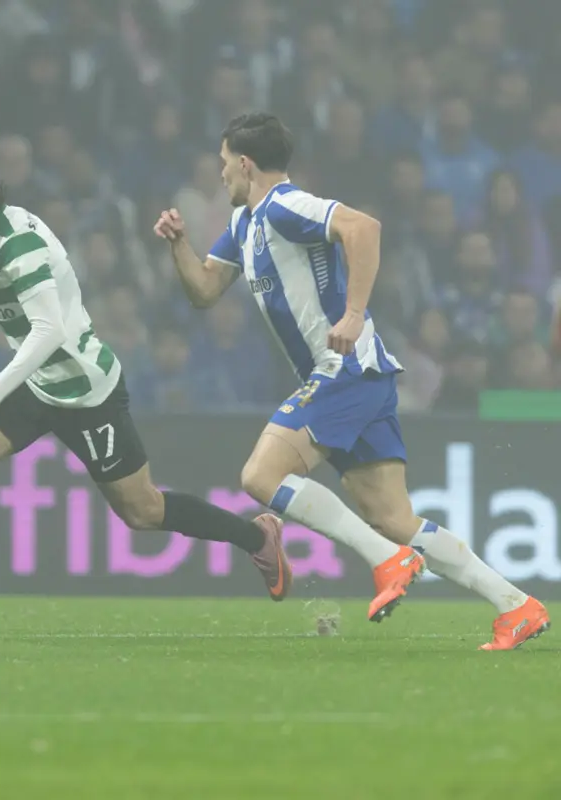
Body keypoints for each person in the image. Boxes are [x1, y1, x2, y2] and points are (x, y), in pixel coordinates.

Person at [153, 112, 548, 650]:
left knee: (260, 476)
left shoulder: (285, 205)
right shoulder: (244, 224)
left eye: (224, 164)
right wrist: (178, 244)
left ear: (245, 164)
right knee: (392, 516)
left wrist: (354, 312)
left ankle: (387, 561)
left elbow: (364, 228)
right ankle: (515, 605)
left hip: (345, 368)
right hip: (360, 375)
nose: (220, 175)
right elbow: (203, 290)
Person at [0, 148, 292, 636]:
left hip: (86, 392)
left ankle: (257, 536)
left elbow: (48, 334)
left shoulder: (23, 246)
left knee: (142, 510)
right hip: (38, 385)